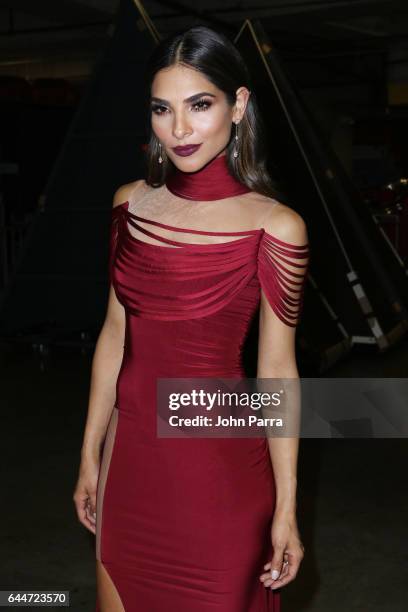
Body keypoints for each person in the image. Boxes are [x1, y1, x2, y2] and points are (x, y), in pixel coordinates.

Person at [73, 25, 309, 612]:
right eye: (162, 109)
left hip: (219, 478)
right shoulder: (128, 203)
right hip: (130, 471)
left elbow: (277, 373)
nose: (178, 129)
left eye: (199, 105)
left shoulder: (276, 227)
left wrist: (287, 506)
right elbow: (114, 333)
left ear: (239, 105)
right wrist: (89, 453)